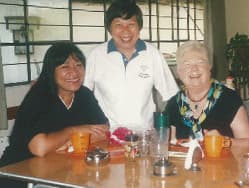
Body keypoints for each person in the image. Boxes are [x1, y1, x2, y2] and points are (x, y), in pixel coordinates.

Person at [0, 41, 109, 188]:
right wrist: (73, 131)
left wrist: (62, 143)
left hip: (58, 169)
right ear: (51, 71)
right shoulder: (39, 96)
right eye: (65, 67)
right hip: (19, 174)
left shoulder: (84, 94)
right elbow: (39, 147)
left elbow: (103, 130)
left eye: (78, 65)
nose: (74, 72)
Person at [84, 0, 178, 132]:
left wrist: (165, 129)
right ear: (109, 28)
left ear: (139, 26)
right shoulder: (96, 55)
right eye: (118, 25)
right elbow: (83, 97)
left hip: (145, 136)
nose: (125, 31)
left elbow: (171, 96)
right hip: (107, 135)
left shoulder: (152, 54)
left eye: (131, 24)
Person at [165, 40, 249, 147]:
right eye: (187, 64)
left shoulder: (229, 99)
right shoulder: (173, 105)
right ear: (179, 71)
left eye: (200, 62)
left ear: (209, 67)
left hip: (223, 163)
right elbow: (168, 144)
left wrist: (224, 142)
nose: (194, 69)